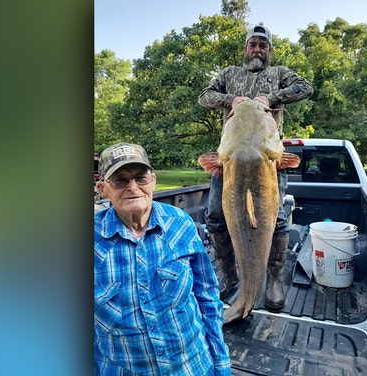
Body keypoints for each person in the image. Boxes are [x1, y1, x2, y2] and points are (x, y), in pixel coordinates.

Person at [198, 24, 313, 311]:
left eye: (263, 44)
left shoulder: (279, 74)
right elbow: (204, 97)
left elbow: (306, 87)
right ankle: (228, 274)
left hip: (268, 159)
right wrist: (230, 100)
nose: (258, 49)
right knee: (214, 216)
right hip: (230, 160)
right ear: (245, 48)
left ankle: (274, 280)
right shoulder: (228, 74)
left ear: (269, 50)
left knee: (278, 221)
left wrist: (271, 99)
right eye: (253, 44)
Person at [94, 142, 231, 376]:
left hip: (192, 368)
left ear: (153, 181)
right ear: (102, 189)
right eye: (120, 181)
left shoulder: (179, 223)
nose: (133, 187)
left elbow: (207, 297)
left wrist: (221, 364)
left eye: (141, 178)